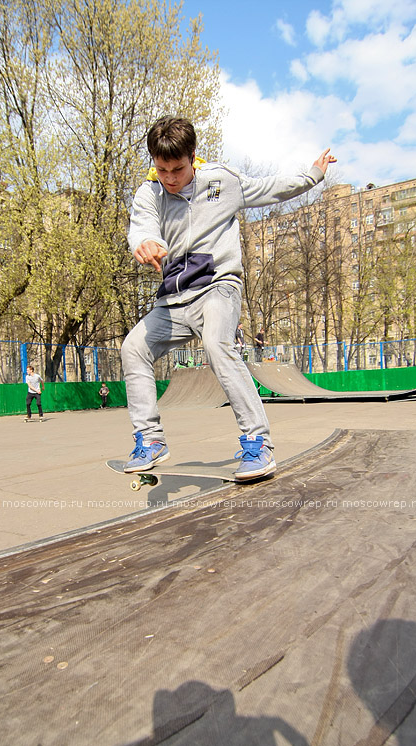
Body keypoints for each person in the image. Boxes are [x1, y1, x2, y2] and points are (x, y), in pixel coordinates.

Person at [121, 115, 336, 479]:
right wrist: (144, 242)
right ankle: (150, 439)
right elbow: (142, 224)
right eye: (162, 170)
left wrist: (313, 175)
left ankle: (257, 443)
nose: (170, 179)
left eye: (178, 169)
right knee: (133, 348)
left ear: (193, 157)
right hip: (174, 298)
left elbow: (272, 187)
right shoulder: (149, 192)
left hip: (218, 286)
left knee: (218, 344)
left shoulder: (222, 181)